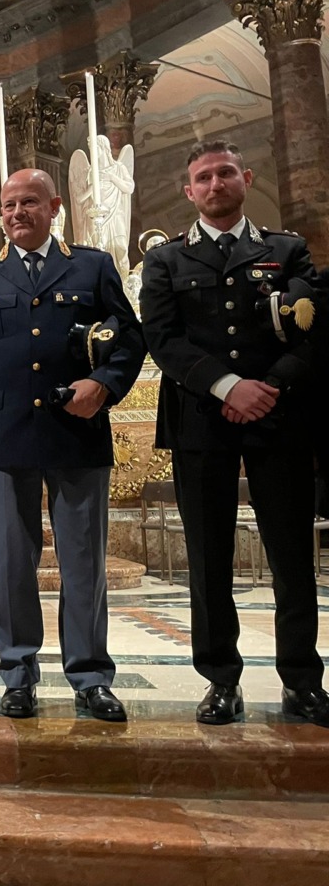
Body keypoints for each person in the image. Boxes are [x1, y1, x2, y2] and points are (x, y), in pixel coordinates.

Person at [140, 141, 329, 727]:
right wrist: (228, 387)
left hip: (280, 418)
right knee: (208, 559)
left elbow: (316, 330)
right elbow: (163, 340)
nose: (215, 184)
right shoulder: (166, 261)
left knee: (292, 557)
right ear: (188, 191)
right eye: (204, 177)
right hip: (202, 422)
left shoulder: (287, 251)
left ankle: (302, 681)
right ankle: (220, 679)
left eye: (225, 173)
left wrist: (266, 386)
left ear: (245, 177)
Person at [0, 168, 144, 722]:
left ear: (54, 206)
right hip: (5, 437)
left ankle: (89, 676)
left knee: (83, 563)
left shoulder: (92, 265)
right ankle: (17, 674)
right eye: (8, 206)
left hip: (77, 432)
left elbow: (129, 336)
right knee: (10, 565)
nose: (16, 213)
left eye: (28, 202)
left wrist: (104, 384)